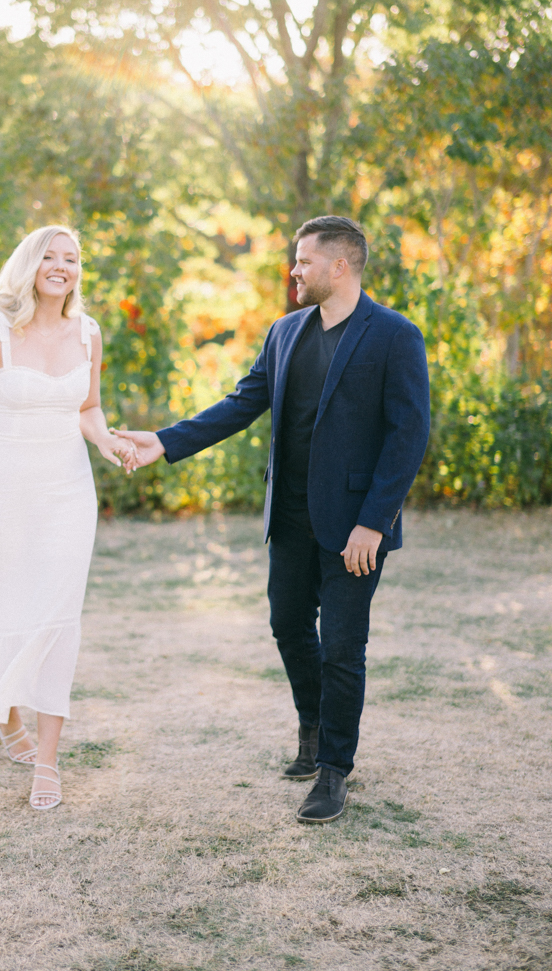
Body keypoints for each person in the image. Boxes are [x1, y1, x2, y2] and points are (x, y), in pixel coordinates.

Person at [123, 216, 430, 823]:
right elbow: (243, 403)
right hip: (288, 518)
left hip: (354, 528)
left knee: (343, 647)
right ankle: (312, 730)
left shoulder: (395, 334)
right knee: (289, 627)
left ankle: (334, 771)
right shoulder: (285, 332)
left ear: (339, 266)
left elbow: (408, 434)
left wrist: (374, 521)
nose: (294, 270)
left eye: (304, 261)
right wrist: (164, 441)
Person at [0, 225, 136, 811]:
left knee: (58, 617)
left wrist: (105, 441)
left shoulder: (89, 333)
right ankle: (4, 718)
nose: (61, 266)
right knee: (0, 607)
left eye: (71, 258)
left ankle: (47, 761)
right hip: (1, 492)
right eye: (49, 256)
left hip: (68, 493)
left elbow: (89, 406)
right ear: (28, 265)